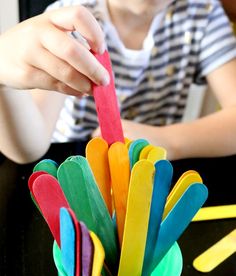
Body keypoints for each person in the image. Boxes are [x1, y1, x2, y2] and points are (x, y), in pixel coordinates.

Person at [1, 0, 236, 164]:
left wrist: (164, 141)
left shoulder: (203, 12)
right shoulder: (68, 17)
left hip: (145, 170)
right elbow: (28, 148)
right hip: (72, 169)